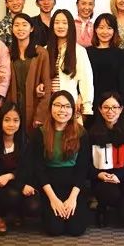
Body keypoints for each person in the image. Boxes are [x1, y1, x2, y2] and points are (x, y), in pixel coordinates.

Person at [30, 91, 92, 236]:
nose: (62, 110)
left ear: (73, 110)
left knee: (76, 230)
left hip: (73, 186)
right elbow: (39, 169)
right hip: (49, 185)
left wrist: (72, 198)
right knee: (55, 230)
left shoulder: (81, 133)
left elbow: (83, 168)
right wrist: (53, 199)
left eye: (67, 106)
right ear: (50, 107)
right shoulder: (40, 133)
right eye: (57, 105)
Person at [0, 101, 42, 235]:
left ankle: (17, 212)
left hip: (19, 180)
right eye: (7, 120)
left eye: (15, 120)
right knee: (12, 195)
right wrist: (19, 185)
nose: (11, 124)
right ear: (0, 120)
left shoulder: (25, 140)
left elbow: (28, 168)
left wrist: (11, 177)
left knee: (34, 206)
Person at [88, 92, 124, 227]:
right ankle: (102, 207)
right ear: (100, 109)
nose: (110, 111)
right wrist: (98, 174)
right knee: (110, 193)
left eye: (114, 107)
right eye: (106, 107)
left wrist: (119, 175)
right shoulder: (92, 134)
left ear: (121, 109)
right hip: (102, 180)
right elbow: (86, 163)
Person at [47, 9, 95, 122]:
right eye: (57, 22)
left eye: (64, 23)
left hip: (69, 105)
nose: (60, 26)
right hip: (48, 105)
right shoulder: (45, 50)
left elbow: (86, 80)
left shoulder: (79, 51)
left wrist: (86, 104)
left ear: (71, 26)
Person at [6, 12, 51, 130]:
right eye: (16, 25)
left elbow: (47, 85)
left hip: (34, 105)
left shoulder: (41, 53)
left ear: (31, 29)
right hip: (12, 105)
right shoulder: (7, 52)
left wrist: (40, 115)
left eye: (24, 25)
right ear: (12, 29)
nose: (20, 28)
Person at [86, 13, 123, 106]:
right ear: (95, 29)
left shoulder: (120, 54)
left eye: (109, 28)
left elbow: (123, 83)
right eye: (101, 27)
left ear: (114, 31)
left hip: (114, 103)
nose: (105, 32)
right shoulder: (87, 52)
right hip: (91, 100)